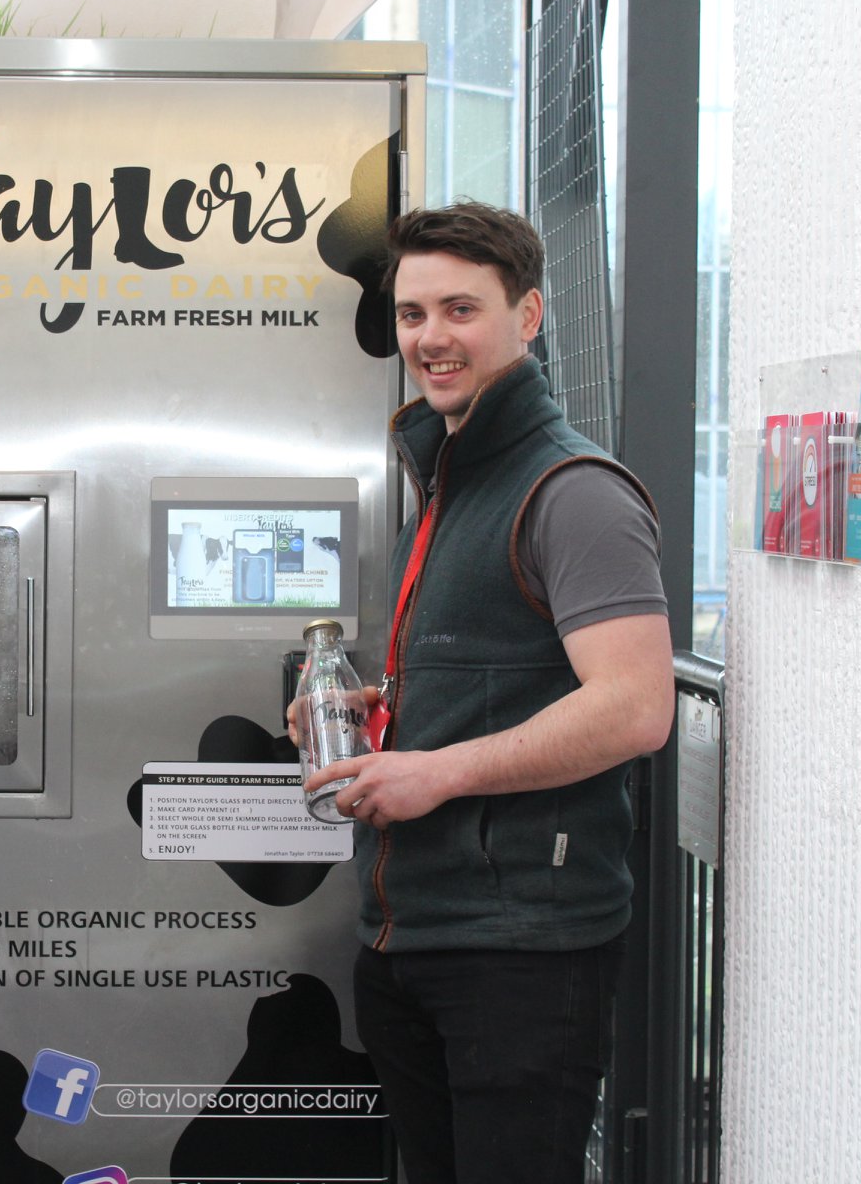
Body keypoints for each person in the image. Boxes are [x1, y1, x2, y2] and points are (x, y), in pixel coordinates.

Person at [301, 201, 675, 1183]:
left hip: (520, 959)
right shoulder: (450, 483)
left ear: (530, 314)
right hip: (411, 938)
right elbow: (492, 679)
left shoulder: (574, 492)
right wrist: (372, 715)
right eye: (413, 313)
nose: (430, 337)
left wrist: (438, 772)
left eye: (460, 309)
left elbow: (635, 706)